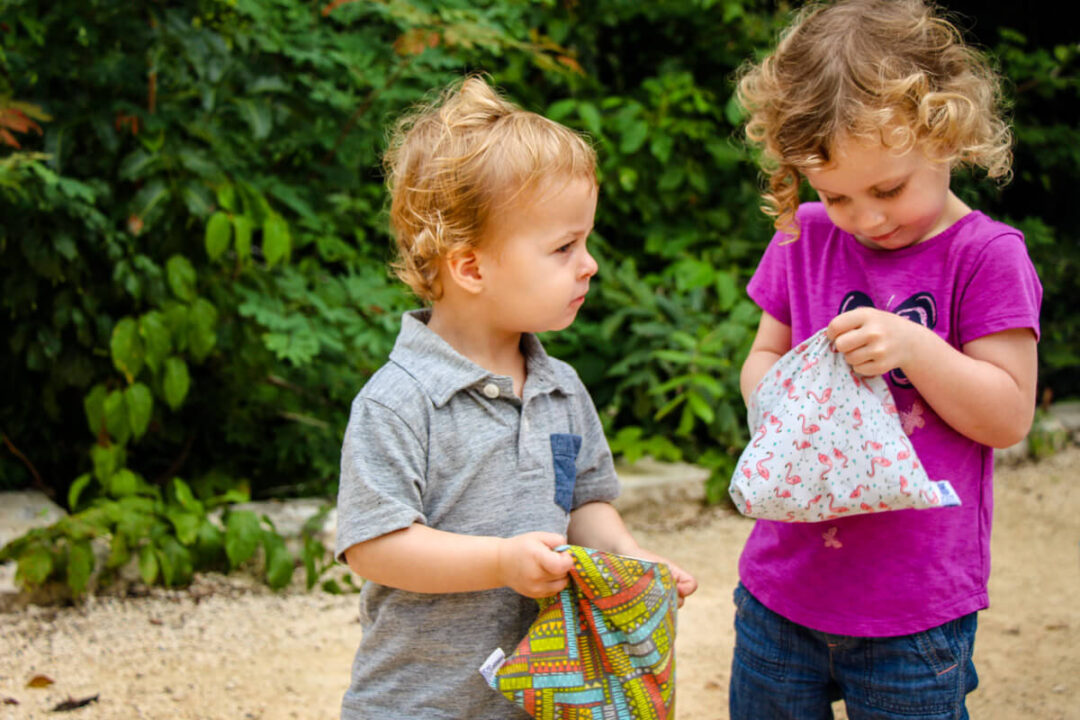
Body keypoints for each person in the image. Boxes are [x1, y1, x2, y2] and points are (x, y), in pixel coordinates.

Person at [334, 75, 697, 720]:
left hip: (544, 699)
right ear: (471, 267)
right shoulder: (399, 401)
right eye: (564, 247)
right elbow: (374, 546)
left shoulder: (561, 387)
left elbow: (584, 502)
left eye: (585, 241)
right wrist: (500, 561)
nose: (589, 263)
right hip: (420, 705)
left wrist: (632, 560)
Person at [729, 1, 1042, 718]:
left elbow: (1008, 416)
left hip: (914, 609)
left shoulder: (987, 257)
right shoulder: (804, 236)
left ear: (947, 134)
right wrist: (784, 404)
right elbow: (764, 357)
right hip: (780, 589)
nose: (866, 218)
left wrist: (915, 347)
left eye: (889, 189)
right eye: (835, 194)